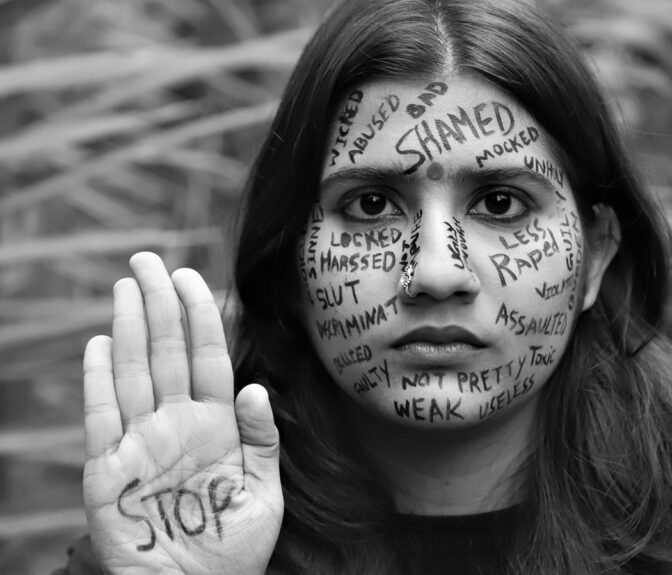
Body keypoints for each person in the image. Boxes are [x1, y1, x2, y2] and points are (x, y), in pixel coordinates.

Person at [60, 0, 672, 573]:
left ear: (594, 258)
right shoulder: (171, 539)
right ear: (290, 259)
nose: (435, 273)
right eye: (372, 204)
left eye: (501, 202)